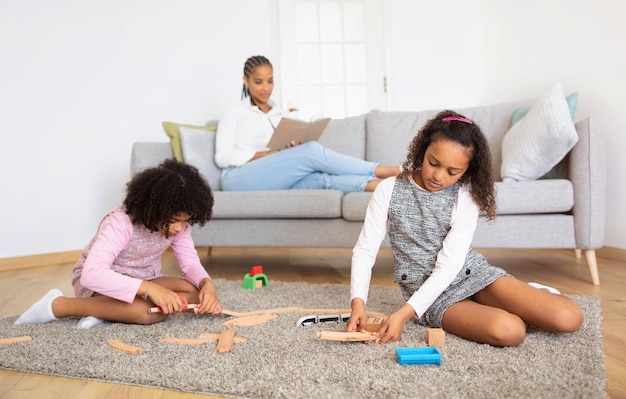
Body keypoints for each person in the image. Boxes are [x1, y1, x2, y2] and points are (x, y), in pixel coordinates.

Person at [347, 110, 584, 346]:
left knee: (570, 318)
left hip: (470, 274)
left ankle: (531, 293)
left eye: (453, 172)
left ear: (467, 170)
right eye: (433, 163)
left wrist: (402, 315)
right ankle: (508, 306)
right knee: (511, 331)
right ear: (423, 151)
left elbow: (449, 266)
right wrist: (358, 302)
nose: (438, 176)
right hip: (433, 297)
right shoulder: (389, 190)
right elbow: (365, 250)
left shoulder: (466, 197)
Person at [15, 159, 222, 329]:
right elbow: (92, 274)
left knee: (194, 295)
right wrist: (151, 290)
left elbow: (190, 264)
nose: (180, 228)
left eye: (186, 221)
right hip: (101, 283)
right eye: (175, 220)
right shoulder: (120, 222)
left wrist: (207, 284)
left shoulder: (179, 228)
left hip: (145, 278)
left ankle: (105, 311)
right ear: (155, 208)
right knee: (145, 313)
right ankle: (60, 305)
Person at [214, 55, 400, 194]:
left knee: (321, 180)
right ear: (245, 81)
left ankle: (386, 184)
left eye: (270, 81)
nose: (266, 88)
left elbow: (279, 152)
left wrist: (290, 147)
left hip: (273, 175)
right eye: (258, 82)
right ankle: (381, 169)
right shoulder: (234, 111)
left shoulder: (279, 112)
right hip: (238, 178)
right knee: (311, 150)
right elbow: (222, 157)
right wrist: (262, 155)